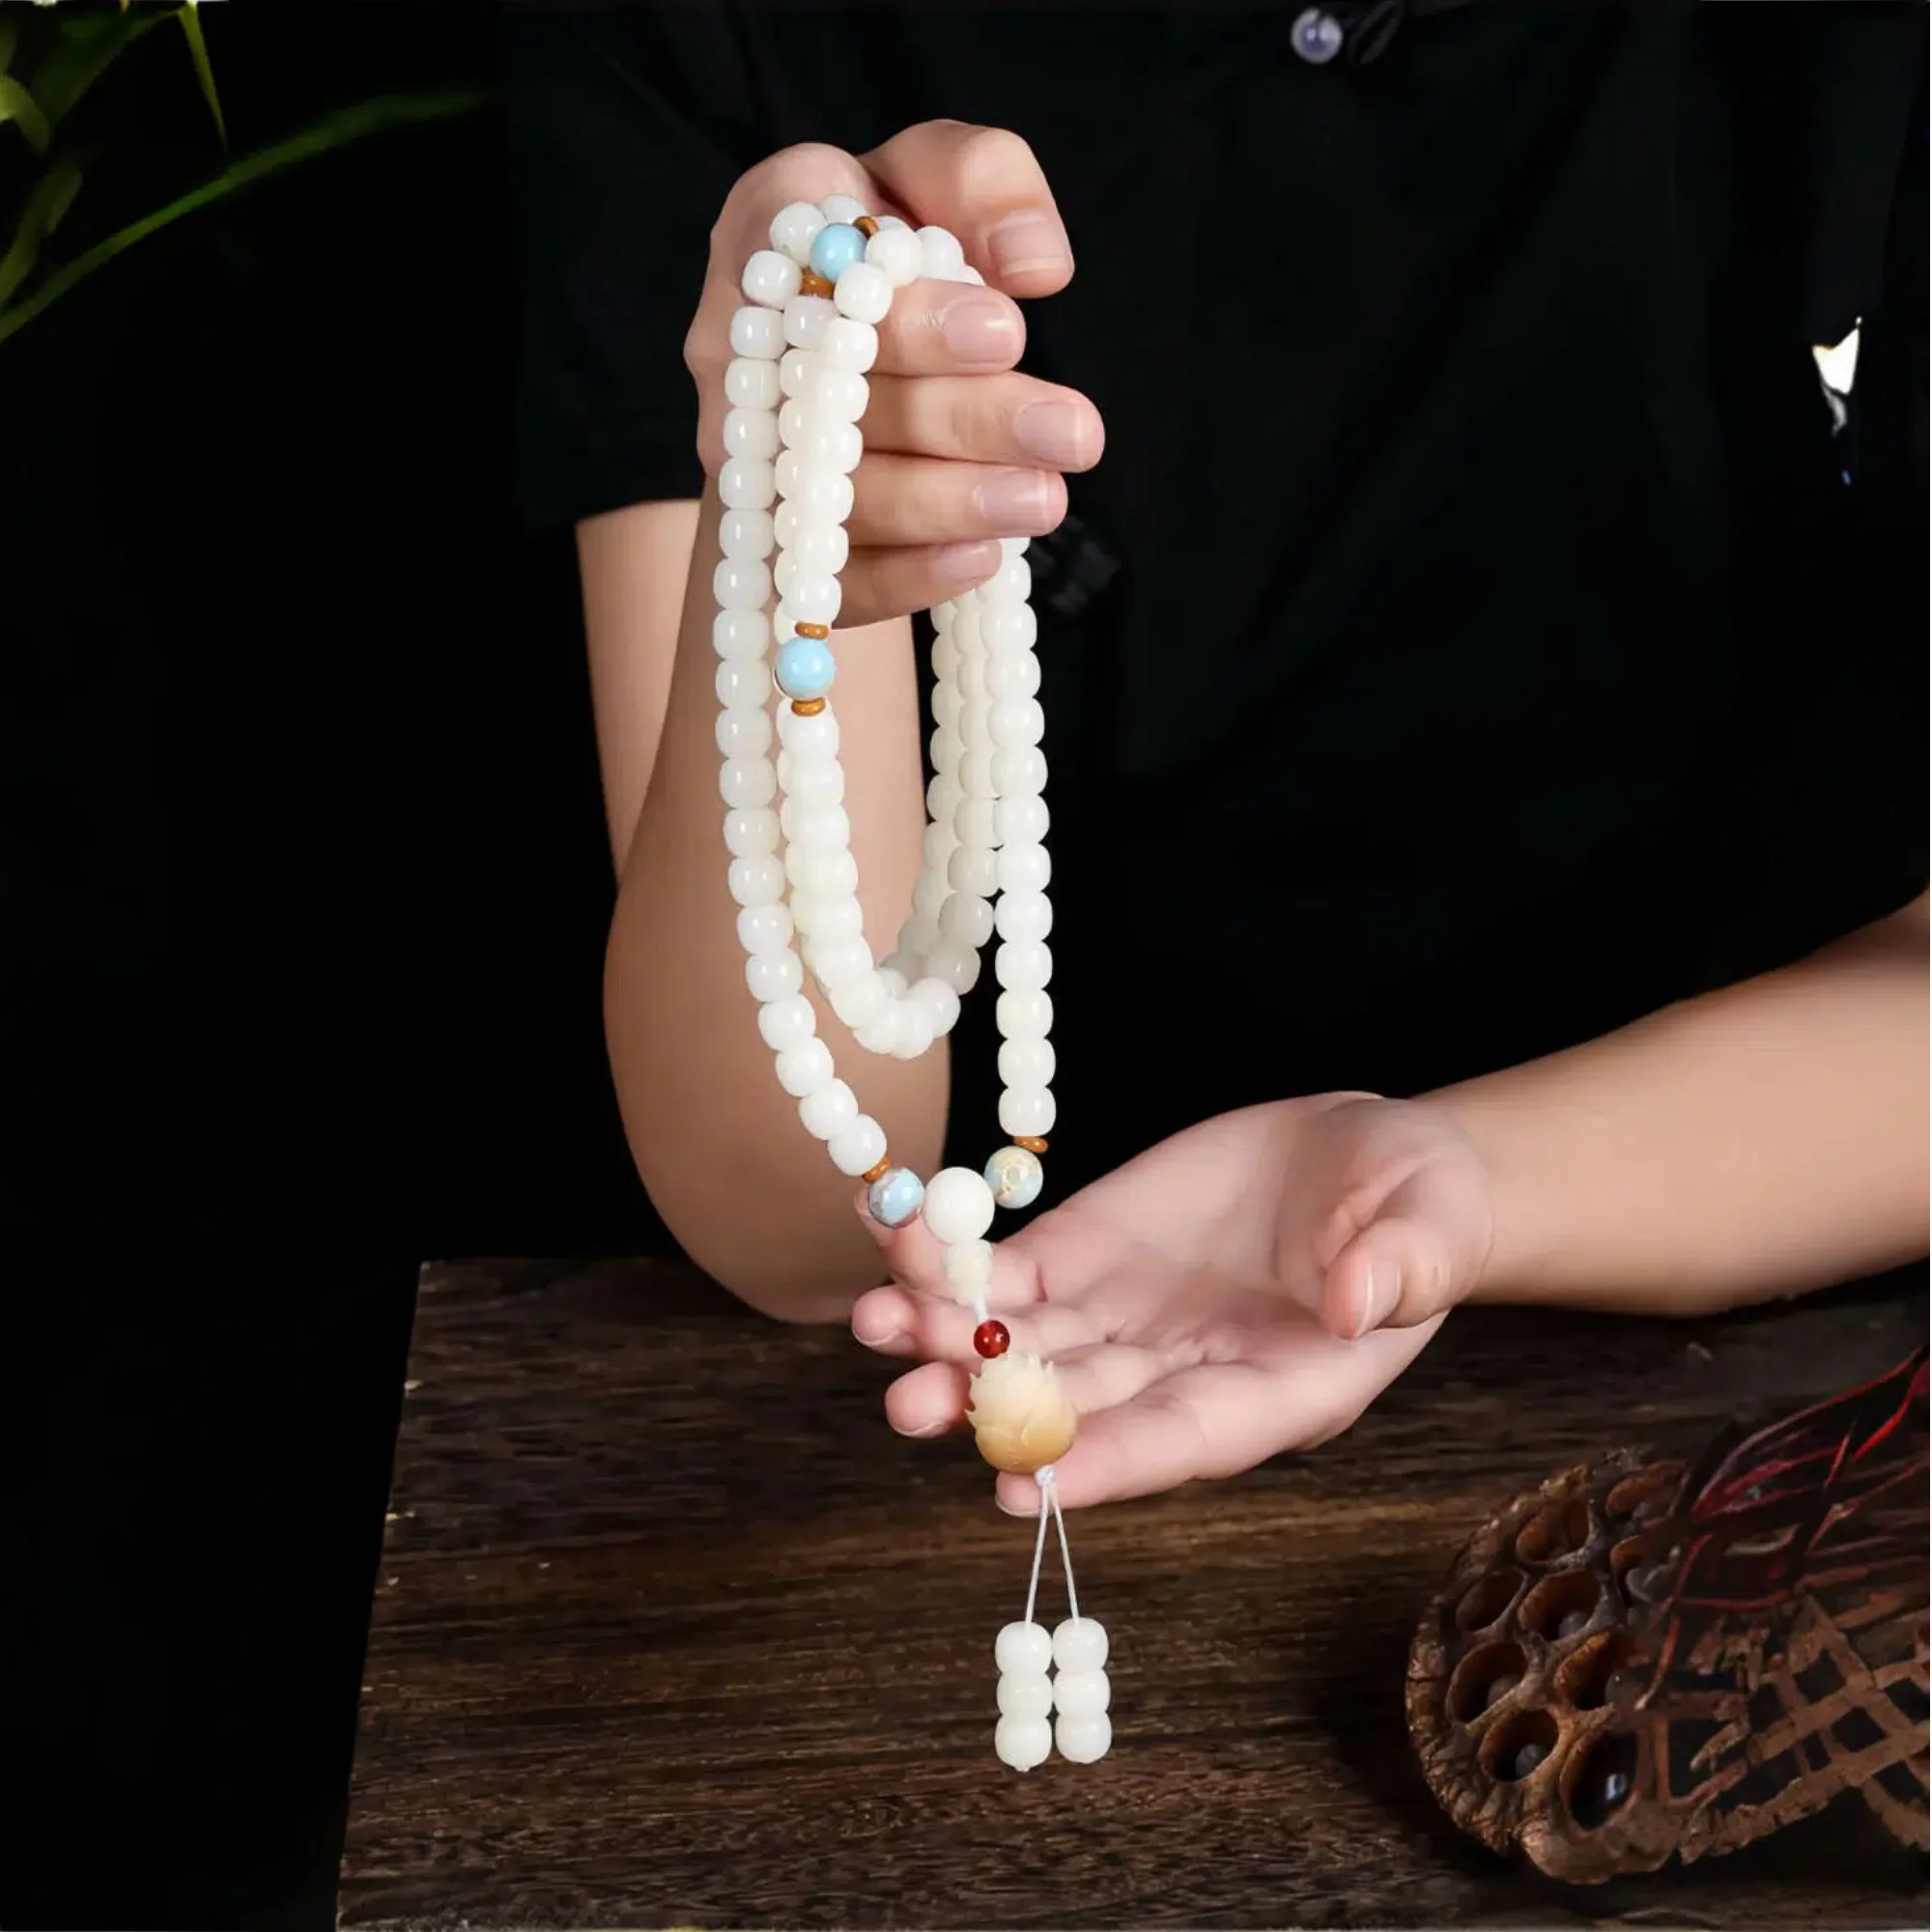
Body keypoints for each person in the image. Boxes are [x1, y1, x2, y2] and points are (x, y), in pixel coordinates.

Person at [502, 4, 1930, 1498]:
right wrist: (804, 507)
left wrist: (1470, 1184)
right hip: (1009, 1346)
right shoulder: (724, 58)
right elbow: (798, 1221)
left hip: (1781, 1439)